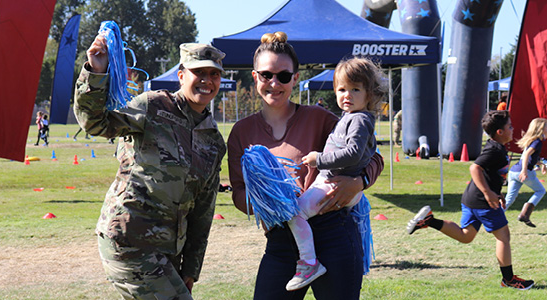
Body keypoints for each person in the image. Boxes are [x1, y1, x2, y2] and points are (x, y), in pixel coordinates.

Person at [227, 31, 383, 300]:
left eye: (283, 76)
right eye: (266, 75)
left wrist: (360, 182)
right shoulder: (241, 132)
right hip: (281, 240)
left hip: (334, 232)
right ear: (255, 77)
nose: (274, 83)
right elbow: (239, 192)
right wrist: (270, 205)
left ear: (295, 79)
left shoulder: (319, 117)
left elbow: (372, 155)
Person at [76, 35, 227, 299]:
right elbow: (96, 123)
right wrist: (96, 72)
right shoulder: (152, 106)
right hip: (128, 239)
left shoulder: (214, 140)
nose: (207, 80)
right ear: (181, 75)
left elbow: (203, 210)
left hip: (167, 250)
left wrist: (191, 266)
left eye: (214, 74)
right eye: (198, 72)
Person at [273, 57, 385, 291]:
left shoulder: (359, 119)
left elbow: (354, 153)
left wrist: (319, 159)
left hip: (335, 184)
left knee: (295, 213)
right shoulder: (352, 117)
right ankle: (308, 261)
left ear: (369, 94)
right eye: (342, 89)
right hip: (334, 182)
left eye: (355, 89)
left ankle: (309, 263)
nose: (347, 95)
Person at [407, 110, 535, 290]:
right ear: (499, 132)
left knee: (466, 236)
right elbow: (475, 169)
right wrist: (489, 194)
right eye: (509, 127)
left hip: (472, 198)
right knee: (504, 237)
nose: (513, 129)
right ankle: (509, 279)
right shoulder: (495, 150)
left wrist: (495, 193)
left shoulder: (495, 146)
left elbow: (490, 174)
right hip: (483, 201)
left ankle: (429, 220)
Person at [505, 118, 547, 227]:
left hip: (513, 171)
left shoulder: (531, 140)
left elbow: (530, 158)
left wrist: (541, 164)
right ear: (541, 129)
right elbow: (526, 156)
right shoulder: (537, 141)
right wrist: (524, 171)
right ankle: (525, 214)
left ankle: (495, 218)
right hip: (523, 172)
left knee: (509, 199)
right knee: (540, 191)